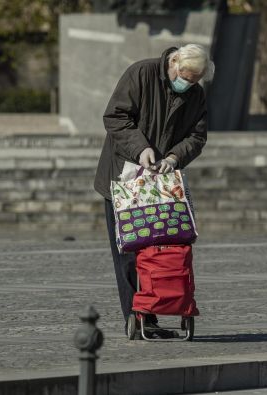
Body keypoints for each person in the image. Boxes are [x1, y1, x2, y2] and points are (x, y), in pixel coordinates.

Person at [94, 44, 214, 337]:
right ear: (174, 62)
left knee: (160, 251)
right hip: (124, 180)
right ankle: (136, 317)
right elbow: (115, 117)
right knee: (128, 253)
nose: (187, 83)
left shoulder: (195, 94)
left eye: (194, 79)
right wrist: (141, 148)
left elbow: (197, 137)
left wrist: (174, 157)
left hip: (162, 183)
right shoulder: (141, 73)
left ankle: (152, 311)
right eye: (184, 75)